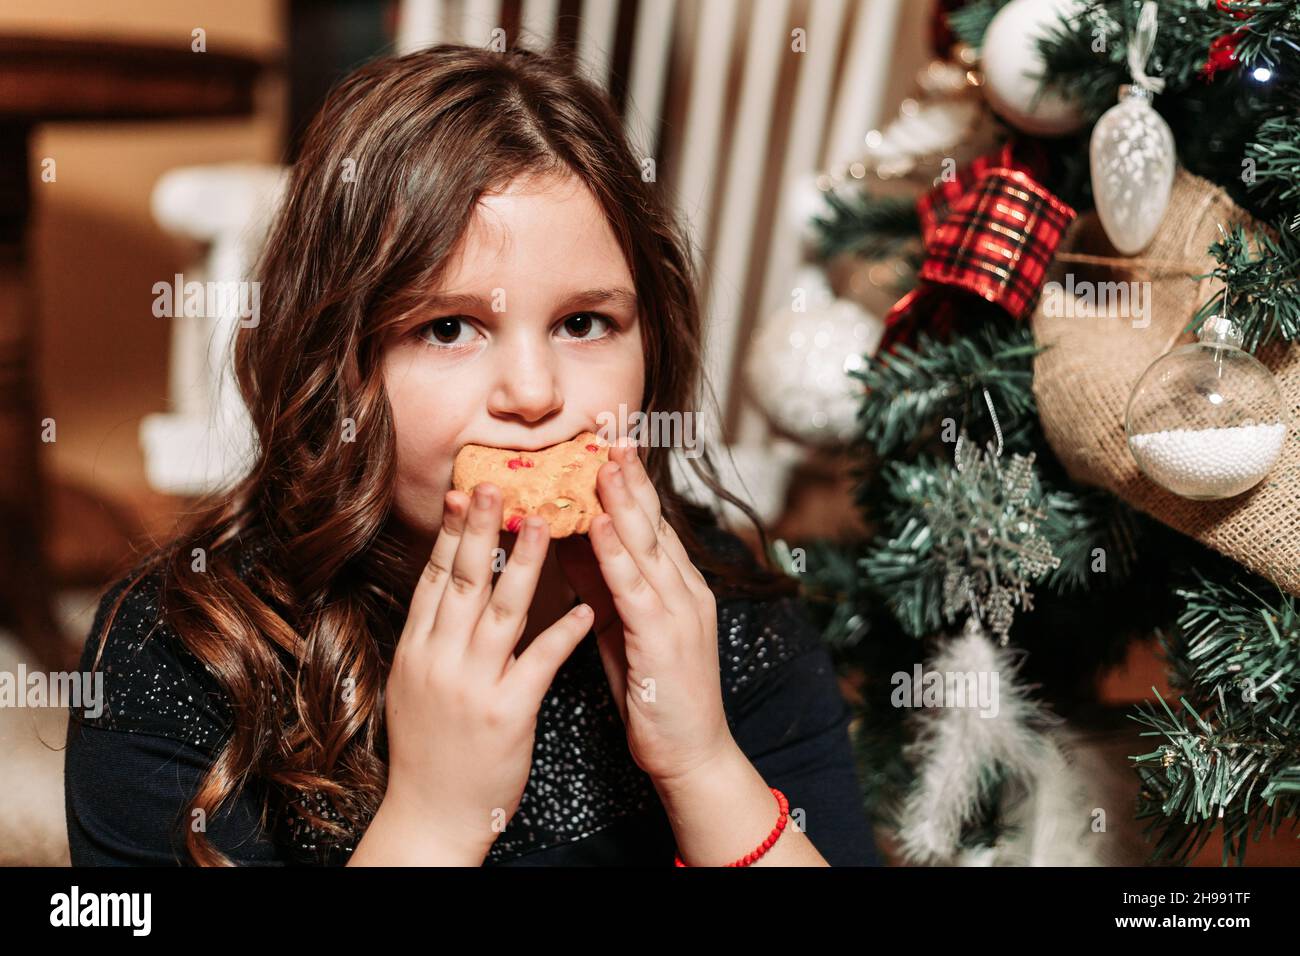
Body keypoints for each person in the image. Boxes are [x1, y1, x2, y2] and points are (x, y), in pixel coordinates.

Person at [63, 42, 880, 867]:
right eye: (448, 328)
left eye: (583, 322)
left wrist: (704, 766)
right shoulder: (181, 652)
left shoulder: (725, 619)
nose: (532, 392)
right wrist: (433, 818)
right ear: (335, 367)